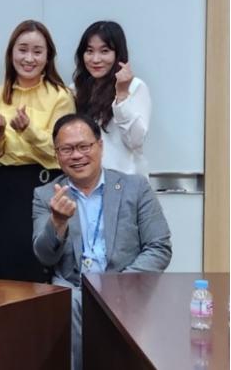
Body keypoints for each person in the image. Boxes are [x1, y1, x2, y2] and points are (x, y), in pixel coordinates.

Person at [33, 113, 172, 370]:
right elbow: (44, 256)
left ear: (100, 146)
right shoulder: (46, 195)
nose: (77, 155)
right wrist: (58, 222)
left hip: (125, 283)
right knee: (71, 304)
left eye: (84, 146)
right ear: (57, 155)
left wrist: (119, 286)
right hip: (74, 288)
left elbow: (159, 247)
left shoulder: (135, 187)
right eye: (67, 149)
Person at [0, 20, 75, 282]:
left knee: (43, 261)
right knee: (8, 260)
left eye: (37, 51)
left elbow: (60, 151)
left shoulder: (61, 96)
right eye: (22, 50)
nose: (29, 58)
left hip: (46, 183)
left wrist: (28, 131)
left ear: (48, 57)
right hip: (7, 186)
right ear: (11, 53)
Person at [73, 20, 151, 175]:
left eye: (104, 51)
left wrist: (122, 95)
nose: (95, 59)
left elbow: (135, 141)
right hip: (87, 181)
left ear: (118, 54)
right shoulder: (76, 89)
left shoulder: (135, 86)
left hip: (125, 179)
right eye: (89, 51)